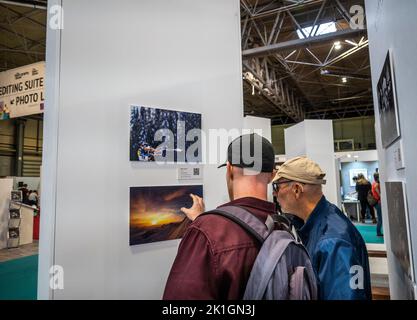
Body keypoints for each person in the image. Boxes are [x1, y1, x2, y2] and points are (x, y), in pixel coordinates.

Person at [163, 133, 277, 300]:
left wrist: (203, 225)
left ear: (229, 169)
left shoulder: (206, 232)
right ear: (273, 175)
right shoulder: (284, 227)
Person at [273, 157, 372, 300]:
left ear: (296, 189)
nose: (275, 194)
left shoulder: (332, 242)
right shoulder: (317, 224)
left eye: (277, 186)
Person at [372, 172, 383, 237]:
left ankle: (378, 232)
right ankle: (378, 233)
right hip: (378, 203)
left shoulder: (374, 183)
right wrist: (381, 196)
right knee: (380, 219)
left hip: (377, 203)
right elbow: (379, 193)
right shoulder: (376, 184)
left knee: (380, 218)